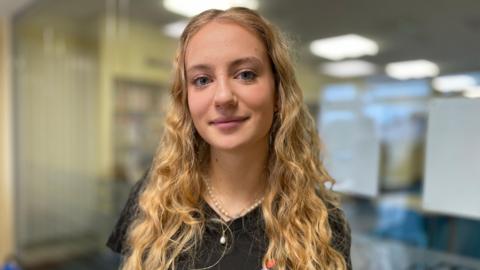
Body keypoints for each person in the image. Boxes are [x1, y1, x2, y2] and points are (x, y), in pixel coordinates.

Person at [107, 7, 352, 270]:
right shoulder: (152, 199)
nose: (223, 97)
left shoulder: (321, 221)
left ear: (278, 94)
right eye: (202, 80)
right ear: (186, 100)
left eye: (245, 74)